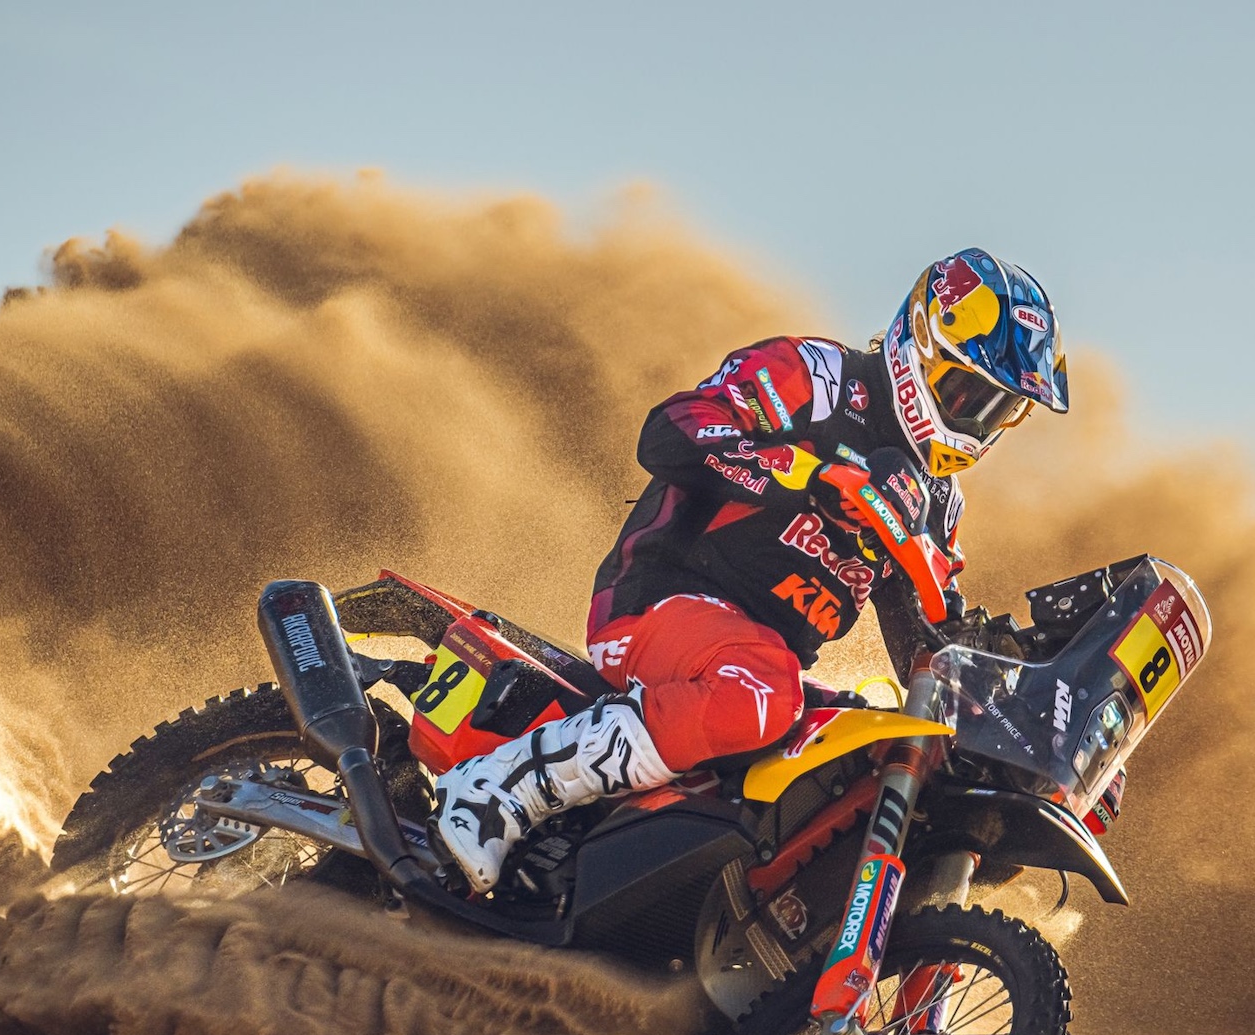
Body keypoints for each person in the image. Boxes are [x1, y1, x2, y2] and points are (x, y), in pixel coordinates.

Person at [434, 247, 1070, 891]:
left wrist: (1008, 730)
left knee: (873, 751)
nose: (979, 422)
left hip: (760, 666)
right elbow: (670, 430)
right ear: (925, 348)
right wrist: (807, 476)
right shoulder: (819, 379)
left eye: (1002, 410)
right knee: (764, 694)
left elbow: (925, 651)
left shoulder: (937, 505)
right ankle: (500, 784)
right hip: (660, 601)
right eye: (970, 394)